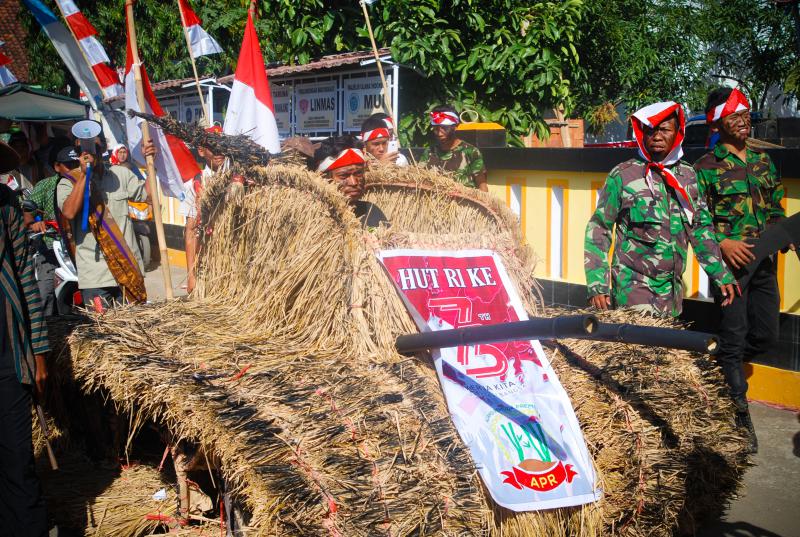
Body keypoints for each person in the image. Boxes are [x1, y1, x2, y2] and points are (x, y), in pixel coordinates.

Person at [694, 87, 791, 453]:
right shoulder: (704, 168)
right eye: (735, 116)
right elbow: (696, 222)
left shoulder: (763, 163)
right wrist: (723, 243)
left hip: (765, 263)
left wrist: (787, 235)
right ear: (718, 122)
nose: (743, 121)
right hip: (729, 270)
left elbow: (775, 209)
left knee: (767, 336)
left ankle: (720, 368)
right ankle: (737, 414)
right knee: (734, 336)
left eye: (746, 115)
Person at [584, 101, 736, 318]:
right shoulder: (623, 175)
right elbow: (599, 229)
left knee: (664, 350)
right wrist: (597, 284)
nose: (656, 136)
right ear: (642, 134)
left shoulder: (688, 177)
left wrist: (720, 274)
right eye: (651, 130)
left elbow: (701, 230)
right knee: (639, 348)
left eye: (664, 129)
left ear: (678, 133)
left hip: (672, 293)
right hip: (633, 289)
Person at [0, 140, 50, 537]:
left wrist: (38, 351)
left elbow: (26, 281)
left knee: (17, 461)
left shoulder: (6, 205)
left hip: (8, 354)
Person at [56, 123, 147, 307]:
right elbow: (69, 211)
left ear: (104, 148)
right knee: (102, 334)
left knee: (135, 331)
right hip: (96, 275)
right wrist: (83, 175)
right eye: (83, 148)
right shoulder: (68, 182)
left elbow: (149, 196)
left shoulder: (121, 175)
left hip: (128, 269)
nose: (89, 152)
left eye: (95, 147)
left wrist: (151, 162)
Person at [25, 142, 79, 316]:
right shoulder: (45, 186)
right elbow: (28, 214)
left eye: (76, 165)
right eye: (68, 166)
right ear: (57, 167)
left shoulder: (86, 186)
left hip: (79, 248)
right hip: (51, 247)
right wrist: (34, 224)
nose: (73, 169)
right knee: (45, 293)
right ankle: (48, 327)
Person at [178, 126, 228, 293]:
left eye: (222, 145)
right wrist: (191, 276)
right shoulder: (195, 184)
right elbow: (191, 233)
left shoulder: (239, 180)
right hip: (208, 266)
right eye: (213, 147)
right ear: (201, 151)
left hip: (235, 263)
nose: (219, 151)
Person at [309, 135, 388, 228]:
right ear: (323, 179)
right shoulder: (313, 218)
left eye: (358, 173)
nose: (354, 182)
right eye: (343, 176)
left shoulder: (372, 212)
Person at [419, 104, 487, 191]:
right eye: (436, 129)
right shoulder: (429, 152)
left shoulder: (471, 152)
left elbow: (482, 186)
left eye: (444, 128)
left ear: (455, 127)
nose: (439, 133)